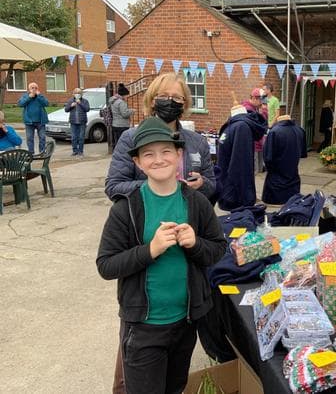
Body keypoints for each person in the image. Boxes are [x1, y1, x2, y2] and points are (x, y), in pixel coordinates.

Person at [97, 116, 227, 394]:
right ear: (137, 163)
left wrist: (196, 244)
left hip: (185, 323)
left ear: (179, 155)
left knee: (175, 388)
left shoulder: (197, 203)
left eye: (166, 151)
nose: (158, 159)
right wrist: (150, 250)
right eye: (148, 154)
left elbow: (217, 249)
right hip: (143, 327)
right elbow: (106, 265)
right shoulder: (126, 209)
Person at [105, 73, 216, 203]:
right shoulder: (130, 138)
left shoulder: (198, 141)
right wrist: (156, 186)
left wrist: (202, 184)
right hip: (146, 217)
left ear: (184, 104)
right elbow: (114, 187)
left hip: (187, 218)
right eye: (163, 96)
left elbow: (212, 186)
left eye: (177, 97)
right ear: (152, 101)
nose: (170, 101)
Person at [217, 104, 267, 211]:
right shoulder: (234, 125)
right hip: (228, 190)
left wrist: (230, 194)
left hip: (236, 197)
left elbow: (240, 164)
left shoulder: (241, 127)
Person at [262, 114, 307, 204]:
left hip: (276, 184)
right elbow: (302, 153)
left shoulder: (274, 132)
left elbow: (268, 157)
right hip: (293, 179)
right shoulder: (300, 130)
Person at [242, 88, 268, 174]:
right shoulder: (248, 109)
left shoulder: (255, 108)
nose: (263, 103)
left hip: (257, 144)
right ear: (254, 98)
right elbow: (262, 126)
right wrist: (264, 111)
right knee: (253, 172)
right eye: (262, 100)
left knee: (258, 171)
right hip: (253, 145)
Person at [18, 82, 49, 153]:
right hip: (29, 121)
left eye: (36, 88)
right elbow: (20, 104)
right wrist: (29, 97)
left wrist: (39, 96)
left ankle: (42, 152)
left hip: (40, 121)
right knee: (29, 138)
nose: (34, 89)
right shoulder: (25, 96)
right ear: (29, 89)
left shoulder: (40, 96)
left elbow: (46, 103)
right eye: (32, 88)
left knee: (42, 137)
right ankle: (31, 153)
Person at [64, 88, 90, 157]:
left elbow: (87, 109)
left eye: (79, 93)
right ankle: (75, 151)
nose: (77, 94)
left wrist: (80, 103)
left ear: (81, 94)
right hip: (73, 122)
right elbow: (66, 110)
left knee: (81, 137)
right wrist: (71, 106)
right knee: (73, 137)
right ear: (73, 94)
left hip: (82, 121)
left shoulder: (85, 101)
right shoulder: (70, 101)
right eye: (76, 93)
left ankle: (80, 151)